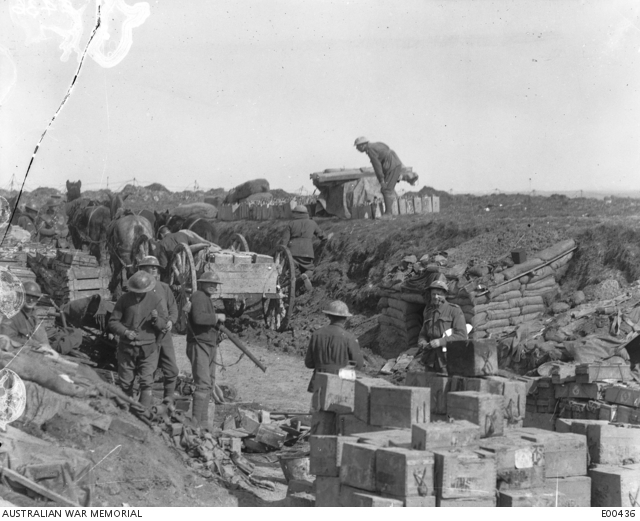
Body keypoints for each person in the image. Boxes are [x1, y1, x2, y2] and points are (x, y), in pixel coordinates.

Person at [108, 270, 167, 407]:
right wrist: (125, 332)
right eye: (136, 291)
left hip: (148, 348)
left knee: (147, 382)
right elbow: (113, 322)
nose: (139, 293)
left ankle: (143, 413)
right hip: (127, 347)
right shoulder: (124, 299)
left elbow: (163, 324)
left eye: (142, 291)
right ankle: (125, 412)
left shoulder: (155, 300)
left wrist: (156, 319)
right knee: (125, 381)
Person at [186, 271, 226, 428]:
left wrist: (217, 334)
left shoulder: (206, 299)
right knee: (203, 383)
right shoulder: (198, 296)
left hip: (208, 344)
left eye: (215, 284)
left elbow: (205, 322)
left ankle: (203, 424)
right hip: (199, 344)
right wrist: (217, 318)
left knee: (208, 383)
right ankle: (196, 424)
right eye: (209, 283)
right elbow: (198, 318)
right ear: (201, 283)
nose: (213, 286)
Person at [137, 255, 179, 404]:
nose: (154, 269)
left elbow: (173, 308)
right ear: (141, 270)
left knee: (172, 370)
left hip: (165, 334)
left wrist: (171, 321)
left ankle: (168, 403)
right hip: (149, 334)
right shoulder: (138, 289)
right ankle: (144, 407)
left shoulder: (164, 287)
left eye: (156, 267)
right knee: (148, 371)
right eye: (150, 266)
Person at [304, 300, 364, 396]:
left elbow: (309, 363)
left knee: (318, 409)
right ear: (346, 318)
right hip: (341, 384)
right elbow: (358, 365)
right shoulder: (349, 338)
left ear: (328, 316)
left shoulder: (316, 334)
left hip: (319, 383)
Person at [417, 274, 468, 373]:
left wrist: (440, 342)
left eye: (439, 294)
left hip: (448, 358)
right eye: (433, 294)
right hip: (430, 358)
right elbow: (423, 334)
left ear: (445, 295)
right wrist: (422, 343)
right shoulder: (428, 311)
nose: (436, 297)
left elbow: (462, 335)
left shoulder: (454, 310)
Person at [0, 282, 59, 359]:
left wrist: (46, 347)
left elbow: (42, 338)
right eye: (27, 296)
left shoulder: (33, 315)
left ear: (38, 299)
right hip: (15, 355)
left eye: (34, 297)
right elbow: (6, 338)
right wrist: (34, 344)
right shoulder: (11, 314)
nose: (31, 299)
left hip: (32, 352)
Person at [354, 136, 404, 218]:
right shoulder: (375, 145)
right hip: (394, 163)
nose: (357, 149)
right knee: (387, 189)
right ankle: (389, 212)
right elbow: (387, 149)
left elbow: (377, 166)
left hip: (391, 166)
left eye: (357, 146)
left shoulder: (370, 150)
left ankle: (388, 214)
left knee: (386, 189)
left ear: (362, 145)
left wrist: (381, 180)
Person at [280, 205, 327, 291]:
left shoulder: (291, 223)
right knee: (310, 269)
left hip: (292, 252)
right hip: (307, 252)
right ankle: (306, 275)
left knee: (290, 272)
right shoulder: (312, 223)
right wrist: (326, 238)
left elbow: (284, 241)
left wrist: (283, 253)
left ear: (296, 213)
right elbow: (322, 235)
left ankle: (286, 289)